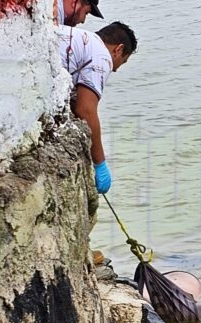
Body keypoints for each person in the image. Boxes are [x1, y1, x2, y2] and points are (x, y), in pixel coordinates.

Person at [59, 22, 138, 194]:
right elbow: (85, 109)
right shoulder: (102, 56)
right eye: (122, 62)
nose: (115, 69)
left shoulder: (83, 40)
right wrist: (100, 164)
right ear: (118, 49)